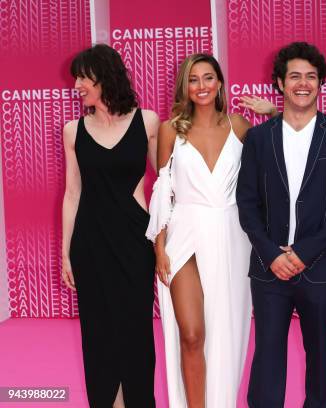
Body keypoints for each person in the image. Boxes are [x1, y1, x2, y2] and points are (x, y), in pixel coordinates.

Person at [145, 53, 276, 408]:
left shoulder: (239, 126)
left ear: (219, 83)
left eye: (208, 78)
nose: (201, 86)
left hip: (231, 236)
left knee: (224, 331)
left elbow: (283, 146)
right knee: (190, 334)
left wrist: (272, 114)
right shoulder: (172, 129)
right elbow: (162, 190)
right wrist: (159, 248)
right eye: (193, 79)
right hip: (182, 234)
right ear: (184, 87)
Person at [236, 42, 326, 408]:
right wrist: (271, 253)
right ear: (279, 82)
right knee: (268, 356)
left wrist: (305, 251)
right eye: (294, 76)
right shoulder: (259, 138)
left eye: (311, 77)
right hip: (268, 265)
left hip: (320, 265)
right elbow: (247, 203)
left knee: (321, 356)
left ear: (321, 83)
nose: (303, 84)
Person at [61, 44, 160, 407]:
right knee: (99, 332)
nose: (76, 85)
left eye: (83, 77)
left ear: (105, 77)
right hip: (90, 243)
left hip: (135, 242)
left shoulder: (146, 121)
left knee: (135, 330)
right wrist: (66, 255)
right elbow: (72, 194)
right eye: (76, 78)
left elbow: (165, 183)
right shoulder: (73, 131)